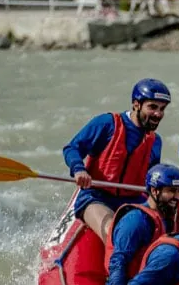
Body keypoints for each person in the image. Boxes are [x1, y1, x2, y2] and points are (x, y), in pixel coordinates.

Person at [63, 78, 172, 242]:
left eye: (162, 109)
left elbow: (152, 179)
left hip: (133, 201)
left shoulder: (155, 141)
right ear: (136, 104)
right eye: (153, 107)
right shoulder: (107, 124)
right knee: (113, 235)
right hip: (96, 197)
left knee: (157, 237)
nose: (158, 114)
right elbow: (72, 148)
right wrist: (79, 169)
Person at [104, 164, 179, 285]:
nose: (177, 197)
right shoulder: (136, 221)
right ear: (154, 190)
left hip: (156, 284)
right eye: (172, 191)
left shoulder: (168, 214)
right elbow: (117, 262)